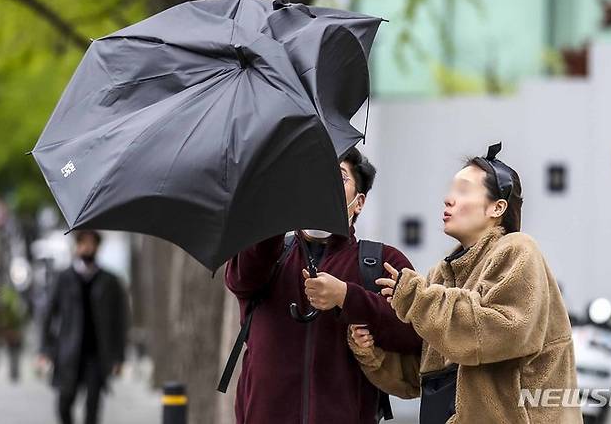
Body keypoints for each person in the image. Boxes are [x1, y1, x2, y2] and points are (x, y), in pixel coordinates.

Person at [349, 143, 582, 424]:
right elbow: (421, 376)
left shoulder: (518, 250)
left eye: (463, 191)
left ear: (497, 207)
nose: (448, 199)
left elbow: (499, 331)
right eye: (451, 191)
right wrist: (372, 353)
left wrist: (415, 298)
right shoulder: (440, 276)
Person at [225, 147, 421, 424]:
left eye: (339, 178)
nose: (324, 184)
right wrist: (275, 217)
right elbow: (240, 280)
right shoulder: (270, 254)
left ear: (359, 202)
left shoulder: (381, 262)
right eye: (315, 176)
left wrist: (346, 297)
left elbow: (416, 331)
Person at [39, 230, 128, 424]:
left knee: (93, 407)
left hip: (97, 354)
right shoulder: (63, 278)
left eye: (91, 244)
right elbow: (47, 315)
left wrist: (119, 357)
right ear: (76, 246)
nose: (87, 248)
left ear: (97, 247)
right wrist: (45, 349)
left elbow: (120, 322)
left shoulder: (110, 281)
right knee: (64, 404)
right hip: (68, 352)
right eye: (83, 244)